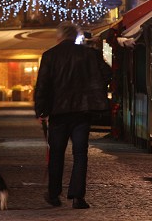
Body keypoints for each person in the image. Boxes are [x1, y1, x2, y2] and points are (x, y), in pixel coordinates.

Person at [34, 21, 112, 210]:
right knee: (80, 154)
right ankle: (78, 197)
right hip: (81, 112)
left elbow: (42, 86)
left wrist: (41, 111)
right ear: (75, 36)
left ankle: (53, 194)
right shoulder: (88, 55)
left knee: (56, 154)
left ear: (59, 36)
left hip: (58, 113)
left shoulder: (50, 56)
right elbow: (108, 74)